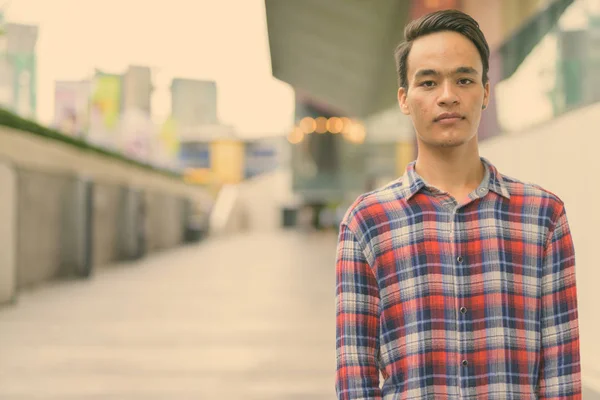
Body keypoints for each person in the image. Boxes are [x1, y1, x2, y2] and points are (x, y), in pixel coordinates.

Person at [335, 9, 581, 400]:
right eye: (428, 82)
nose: (447, 96)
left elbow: (561, 373)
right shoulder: (367, 222)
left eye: (464, 79)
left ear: (485, 92)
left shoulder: (542, 216)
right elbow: (355, 378)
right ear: (404, 99)